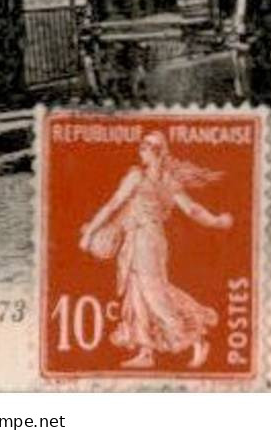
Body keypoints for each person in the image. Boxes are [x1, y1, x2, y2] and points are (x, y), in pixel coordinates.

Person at [77, 131, 234, 369]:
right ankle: (146, 351)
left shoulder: (137, 176)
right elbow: (192, 210)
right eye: (141, 146)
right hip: (145, 239)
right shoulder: (169, 181)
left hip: (144, 240)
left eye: (144, 147)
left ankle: (196, 340)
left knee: (154, 293)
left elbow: (113, 205)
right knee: (136, 293)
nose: (140, 151)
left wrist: (90, 233)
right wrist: (215, 221)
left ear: (155, 152)